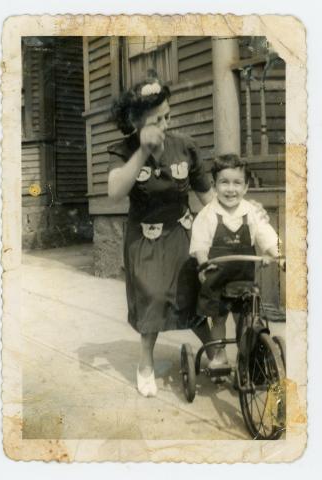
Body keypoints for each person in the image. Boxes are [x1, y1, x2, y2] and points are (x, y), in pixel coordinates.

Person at [107, 72, 215, 397]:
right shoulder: (124, 151)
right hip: (145, 240)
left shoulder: (185, 147)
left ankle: (215, 353)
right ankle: (145, 363)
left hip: (182, 233)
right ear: (137, 122)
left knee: (192, 294)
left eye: (168, 116)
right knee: (152, 298)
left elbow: (207, 198)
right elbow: (114, 191)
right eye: (157, 119)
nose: (166, 124)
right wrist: (142, 152)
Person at [190, 154, 280, 368]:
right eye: (224, 182)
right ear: (215, 185)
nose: (231, 189)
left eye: (237, 183)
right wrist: (203, 261)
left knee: (246, 320)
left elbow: (266, 235)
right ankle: (219, 354)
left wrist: (278, 255)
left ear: (246, 187)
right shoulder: (208, 214)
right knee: (218, 319)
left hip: (244, 279)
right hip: (217, 279)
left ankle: (246, 357)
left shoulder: (251, 213)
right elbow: (200, 244)